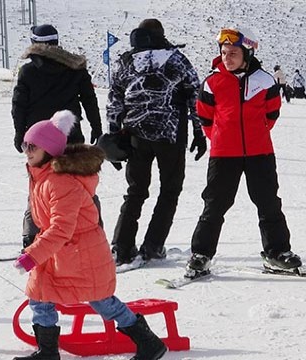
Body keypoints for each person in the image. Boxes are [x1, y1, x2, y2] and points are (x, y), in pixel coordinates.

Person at [13, 110, 167, 360]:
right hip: (60, 252)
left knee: (102, 301)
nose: (27, 150)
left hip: (81, 252)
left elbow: (61, 228)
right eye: (25, 144)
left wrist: (33, 254)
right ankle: (48, 351)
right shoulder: (42, 175)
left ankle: (148, 342)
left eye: (33, 146)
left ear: (50, 150)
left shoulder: (60, 182)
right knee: (39, 294)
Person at [186, 28, 302, 278]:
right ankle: (201, 254)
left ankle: (277, 253)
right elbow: (205, 117)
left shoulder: (265, 80)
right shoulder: (212, 82)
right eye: (224, 53)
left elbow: (272, 114)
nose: (228, 58)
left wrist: (256, 133)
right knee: (215, 204)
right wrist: (220, 137)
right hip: (223, 154)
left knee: (268, 202)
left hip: (260, 153)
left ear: (247, 53)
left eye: (234, 53)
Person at [107, 18, 206, 266]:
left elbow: (114, 99)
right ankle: (153, 245)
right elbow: (196, 96)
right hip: (170, 134)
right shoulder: (175, 59)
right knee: (170, 190)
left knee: (136, 191)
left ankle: (121, 246)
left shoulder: (126, 61)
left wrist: (113, 134)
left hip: (135, 135)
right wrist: (199, 132)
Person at [12, 24, 103, 250]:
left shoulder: (28, 71)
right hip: (70, 137)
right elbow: (89, 99)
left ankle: (31, 238)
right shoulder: (74, 67)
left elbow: (19, 106)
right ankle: (93, 231)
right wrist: (96, 126)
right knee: (82, 184)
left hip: (39, 141)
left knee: (39, 186)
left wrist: (20, 134)